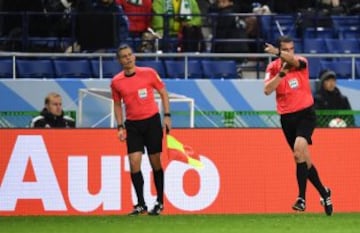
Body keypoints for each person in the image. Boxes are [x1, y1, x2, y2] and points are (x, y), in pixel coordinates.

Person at [263, 35, 333, 216]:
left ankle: (301, 198)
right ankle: (324, 192)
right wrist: (281, 74)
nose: (289, 52)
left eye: (291, 49)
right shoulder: (272, 68)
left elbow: (293, 61)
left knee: (298, 149)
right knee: (303, 159)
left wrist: (279, 53)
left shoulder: (301, 62)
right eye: (285, 49)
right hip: (287, 119)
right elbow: (267, 90)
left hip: (305, 114)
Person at [110, 44, 171, 216]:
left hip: (151, 122)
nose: (128, 58)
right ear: (119, 60)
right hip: (133, 125)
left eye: (130, 55)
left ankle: (159, 201)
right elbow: (117, 104)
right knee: (134, 162)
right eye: (124, 56)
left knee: (155, 161)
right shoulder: (116, 82)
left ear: (134, 57)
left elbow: (163, 93)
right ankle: (141, 204)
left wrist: (167, 115)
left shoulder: (149, 73)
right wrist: (120, 126)